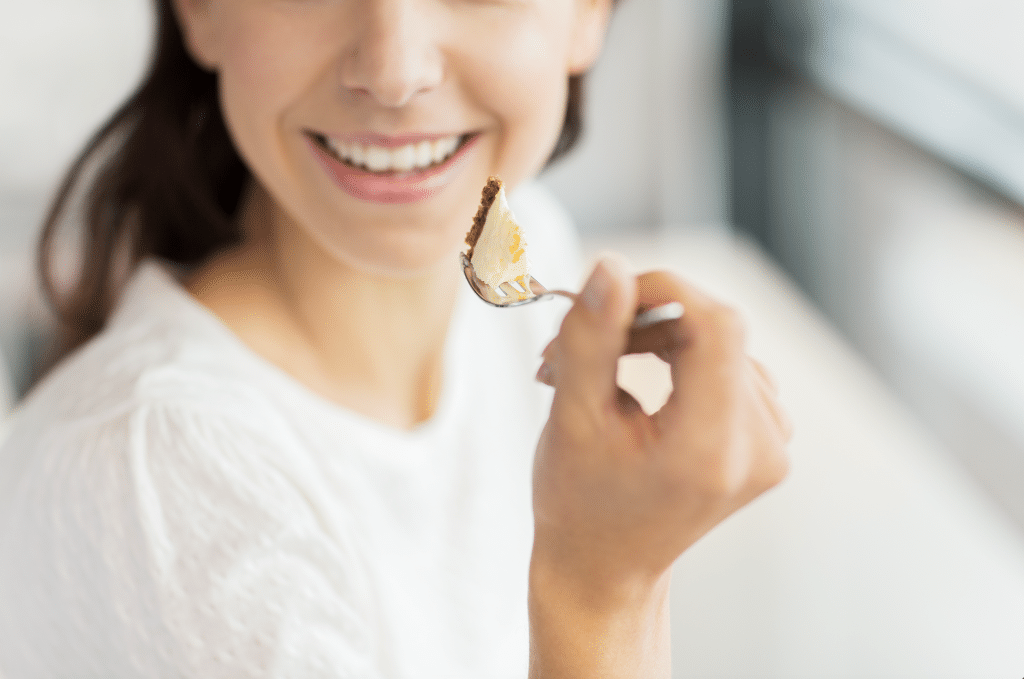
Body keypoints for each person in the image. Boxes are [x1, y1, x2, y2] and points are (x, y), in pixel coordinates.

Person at [0, 0, 791, 676]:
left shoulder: (529, 255)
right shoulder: (156, 490)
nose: (393, 71)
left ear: (591, 12)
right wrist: (606, 592)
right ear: (199, 10)